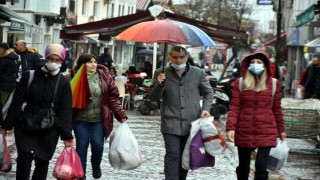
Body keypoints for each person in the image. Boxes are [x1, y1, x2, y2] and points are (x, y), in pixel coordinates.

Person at [1, 44, 74, 180]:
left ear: (62, 61)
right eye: (50, 58)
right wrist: (6, 125)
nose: (53, 62)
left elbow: (65, 111)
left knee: (42, 161)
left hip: (49, 128)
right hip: (26, 124)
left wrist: (66, 135)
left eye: (57, 60)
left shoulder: (64, 83)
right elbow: (16, 102)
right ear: (45, 59)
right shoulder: (30, 76)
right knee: (24, 158)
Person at [149, 46, 213, 179]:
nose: (178, 60)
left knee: (185, 156)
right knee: (173, 154)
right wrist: (159, 85)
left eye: (181, 57)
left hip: (192, 122)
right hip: (170, 121)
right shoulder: (161, 72)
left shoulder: (198, 73)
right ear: (169, 58)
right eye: (175, 57)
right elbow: (153, 97)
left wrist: (206, 109)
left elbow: (208, 92)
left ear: (186, 57)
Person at [226, 51, 286, 180]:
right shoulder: (240, 83)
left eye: (259, 62)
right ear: (247, 65)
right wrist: (231, 127)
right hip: (244, 128)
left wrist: (281, 129)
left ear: (265, 65)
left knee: (261, 165)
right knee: (243, 166)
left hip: (266, 128)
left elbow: (276, 108)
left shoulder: (275, 84)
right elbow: (235, 107)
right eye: (252, 62)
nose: (255, 64)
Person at [72, 53, 127, 179]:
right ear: (82, 64)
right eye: (90, 62)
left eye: (95, 62)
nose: (93, 65)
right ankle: (82, 175)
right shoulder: (74, 76)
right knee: (82, 146)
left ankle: (96, 165)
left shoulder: (105, 77)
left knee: (98, 145)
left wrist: (120, 115)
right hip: (80, 119)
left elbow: (113, 98)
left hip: (99, 119)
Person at [0, 43, 19, 120]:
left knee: (2, 105)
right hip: (11, 85)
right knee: (7, 105)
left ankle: (3, 123)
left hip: (3, 86)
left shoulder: (5, 60)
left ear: (2, 49)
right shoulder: (14, 58)